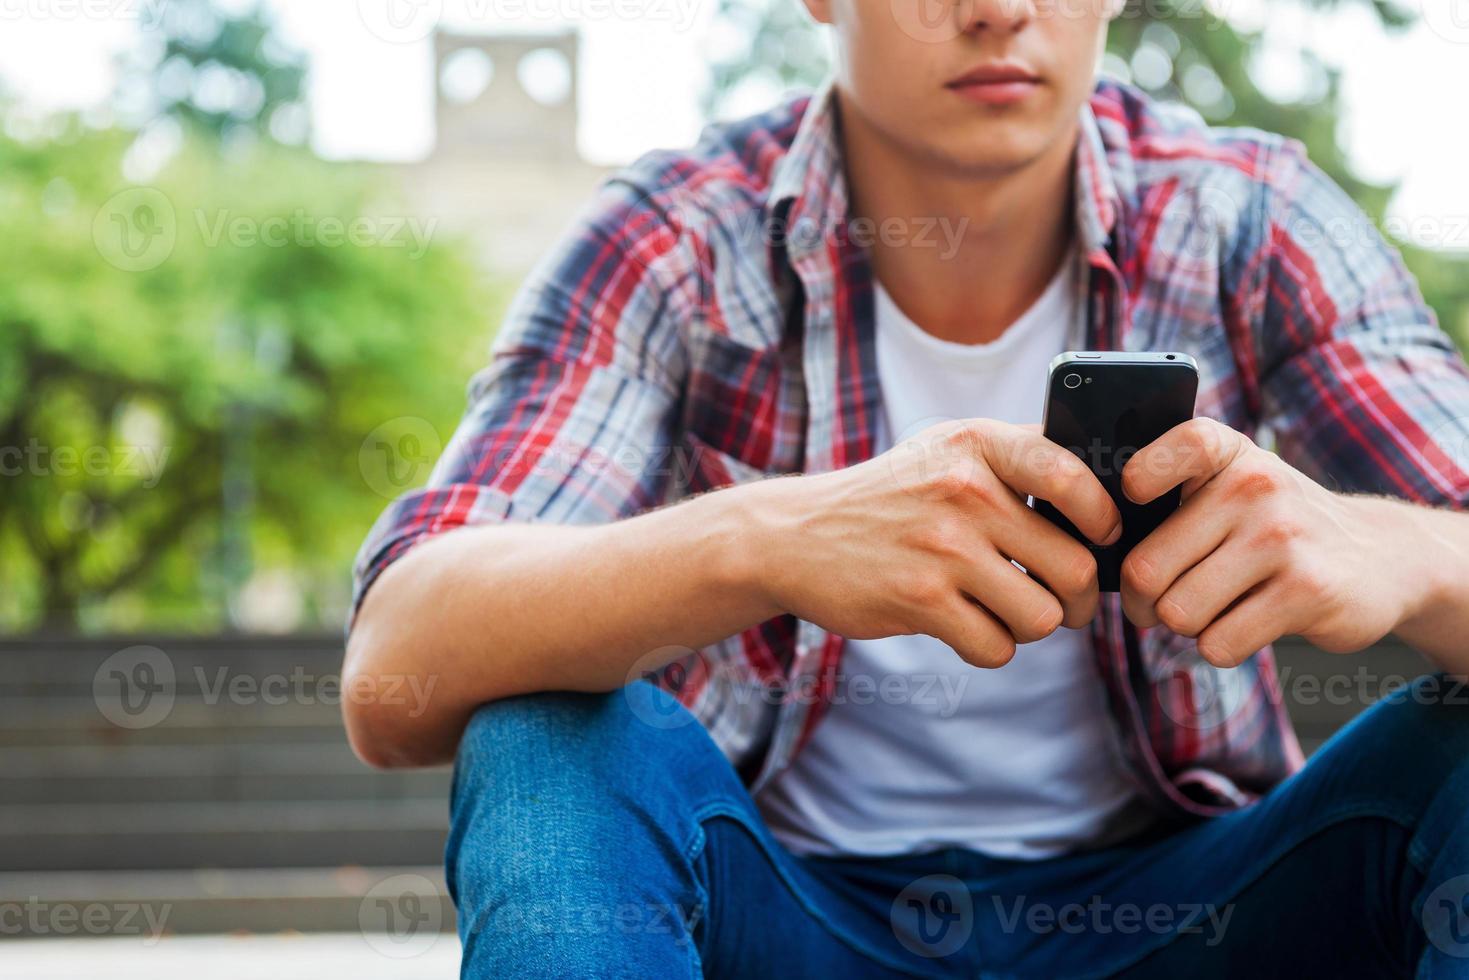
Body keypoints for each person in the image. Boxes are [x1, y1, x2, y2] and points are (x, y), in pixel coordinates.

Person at [343, 1, 1469, 975]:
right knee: (548, 734)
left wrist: (1401, 552)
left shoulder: (1247, 215)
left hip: (1196, 916)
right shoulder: (676, 235)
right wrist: (767, 536)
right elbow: (396, 658)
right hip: (786, 919)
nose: (995, 11)